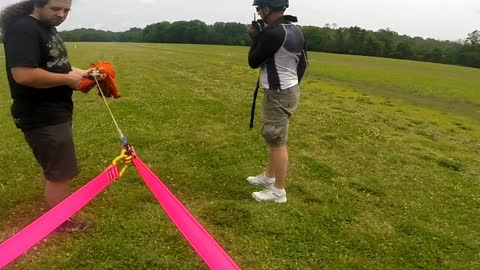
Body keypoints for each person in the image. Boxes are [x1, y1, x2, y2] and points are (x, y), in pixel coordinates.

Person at [0, 0, 103, 232]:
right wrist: (69, 80)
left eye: (66, 10)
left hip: (56, 110)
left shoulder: (47, 28)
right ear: (37, 4)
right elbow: (24, 75)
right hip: (40, 114)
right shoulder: (23, 29)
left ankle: (56, 206)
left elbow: (58, 65)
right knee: (61, 171)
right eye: (55, 8)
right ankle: (62, 221)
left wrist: (85, 73)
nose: (61, 14)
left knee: (54, 165)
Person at [246, 0, 308, 203]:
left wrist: (255, 37)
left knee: (277, 141)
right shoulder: (295, 30)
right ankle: (269, 177)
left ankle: (278, 191)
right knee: (274, 138)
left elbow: (253, 61)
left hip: (279, 92)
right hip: (288, 90)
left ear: (267, 9)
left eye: (259, 9)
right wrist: (291, 84)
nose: (258, 12)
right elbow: (304, 63)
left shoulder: (273, 33)